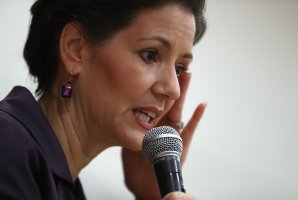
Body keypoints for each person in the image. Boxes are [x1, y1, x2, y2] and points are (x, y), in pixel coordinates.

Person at [0, 0, 206, 199]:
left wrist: (150, 196)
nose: (173, 89)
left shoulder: (61, 183)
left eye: (179, 69)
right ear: (75, 49)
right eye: (150, 55)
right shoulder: (8, 144)